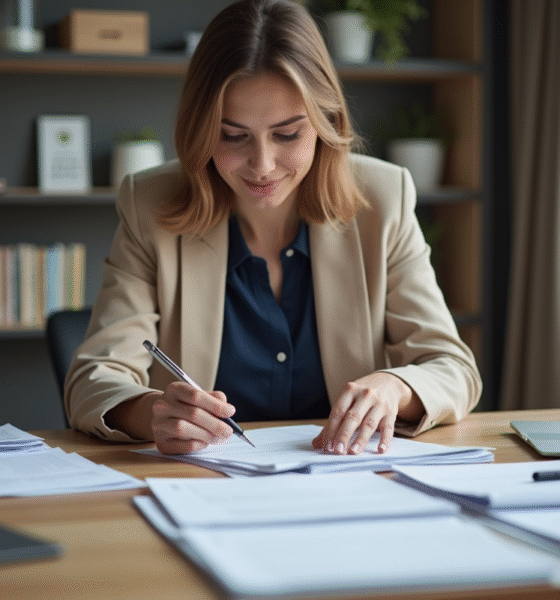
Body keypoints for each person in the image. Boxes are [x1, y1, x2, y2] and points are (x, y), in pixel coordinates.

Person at [65, 0, 481, 456]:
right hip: (199, 484)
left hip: (345, 480)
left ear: (324, 125)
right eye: (232, 135)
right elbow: (93, 378)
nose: (262, 166)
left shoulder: (382, 199)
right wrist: (155, 413)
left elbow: (452, 368)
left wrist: (392, 387)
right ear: (200, 130)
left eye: (287, 134)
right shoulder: (150, 205)